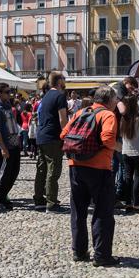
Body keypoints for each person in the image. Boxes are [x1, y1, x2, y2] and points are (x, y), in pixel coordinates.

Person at [61, 85, 119, 266]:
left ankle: (79, 251)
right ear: (108, 100)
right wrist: (118, 148)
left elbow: (64, 134)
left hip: (76, 165)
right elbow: (108, 139)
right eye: (115, 99)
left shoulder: (80, 113)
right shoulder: (108, 115)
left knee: (78, 210)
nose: (116, 102)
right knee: (103, 211)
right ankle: (102, 255)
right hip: (99, 167)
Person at [33, 71, 68, 212]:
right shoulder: (60, 96)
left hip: (41, 136)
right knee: (53, 170)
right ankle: (52, 203)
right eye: (63, 79)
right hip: (53, 137)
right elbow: (62, 119)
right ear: (59, 82)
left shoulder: (46, 96)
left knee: (42, 169)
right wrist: (66, 136)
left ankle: (39, 200)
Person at [0, 82, 21, 212]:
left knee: (14, 172)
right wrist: (3, 148)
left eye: (10, 91)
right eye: (7, 92)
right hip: (4, 146)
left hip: (14, 144)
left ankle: (3, 196)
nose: (10, 94)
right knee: (3, 175)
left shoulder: (8, 105)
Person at [119, 94, 139, 212]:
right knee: (137, 177)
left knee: (128, 177)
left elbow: (121, 134)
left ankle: (128, 203)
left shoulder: (123, 118)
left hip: (126, 151)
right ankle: (136, 203)